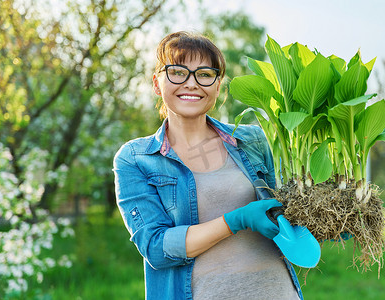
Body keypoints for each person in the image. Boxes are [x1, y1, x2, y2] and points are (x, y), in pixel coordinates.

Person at [113, 31, 303, 300]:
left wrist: (325, 217)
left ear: (218, 85)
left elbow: (282, 209)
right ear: (157, 83)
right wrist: (237, 220)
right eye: (178, 72)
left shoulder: (252, 140)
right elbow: (157, 248)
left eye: (204, 74)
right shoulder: (136, 158)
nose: (191, 83)